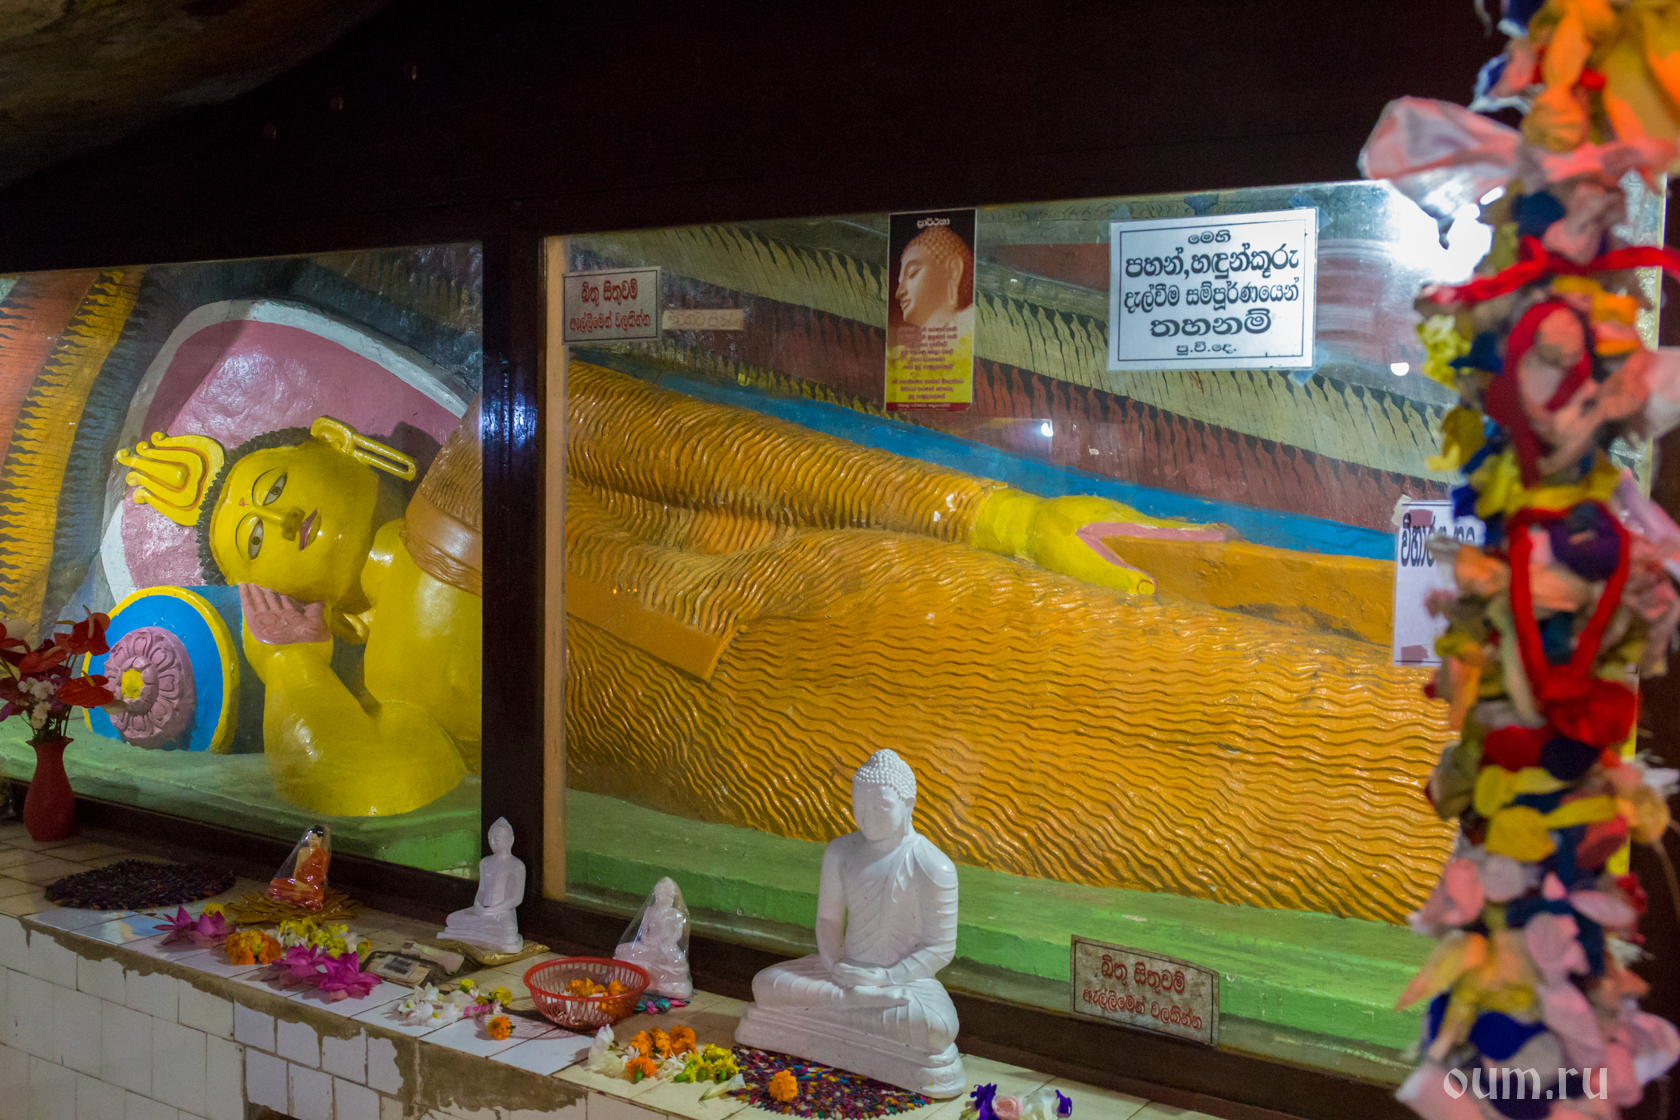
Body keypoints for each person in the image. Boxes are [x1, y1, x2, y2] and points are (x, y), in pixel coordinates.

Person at [120, 401, 483, 816]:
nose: (283, 520)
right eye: (255, 540)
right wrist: (290, 663)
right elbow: (358, 785)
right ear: (286, 600)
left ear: (335, 441)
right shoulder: (393, 692)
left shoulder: (465, 477)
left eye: (274, 489)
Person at [735, 749, 964, 1097]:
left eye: (880, 807)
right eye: (859, 806)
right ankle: (860, 1003)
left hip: (903, 982)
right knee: (766, 984)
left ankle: (860, 1005)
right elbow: (828, 920)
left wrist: (886, 978)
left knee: (937, 1026)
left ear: (909, 804)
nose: (867, 817)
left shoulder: (933, 866)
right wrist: (835, 965)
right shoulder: (840, 851)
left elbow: (941, 947)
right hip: (842, 974)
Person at [441, 817, 525, 953]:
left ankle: (485, 933)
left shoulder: (517, 865)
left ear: (510, 840)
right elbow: (482, 890)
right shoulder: (485, 862)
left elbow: (516, 898)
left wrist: (493, 910)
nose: (492, 842)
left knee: (509, 930)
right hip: (482, 911)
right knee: (451, 919)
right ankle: (481, 932)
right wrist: (478, 905)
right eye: (490, 838)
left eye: (497, 839)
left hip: (502, 913)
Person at [613, 876, 692, 998]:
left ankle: (663, 984)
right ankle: (630, 978)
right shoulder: (650, 911)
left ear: (671, 896)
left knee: (677, 960)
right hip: (649, 946)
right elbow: (644, 931)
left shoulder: (675, 915)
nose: (660, 897)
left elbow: (677, 935)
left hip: (666, 947)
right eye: (658, 893)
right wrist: (646, 940)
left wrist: (666, 944)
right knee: (622, 949)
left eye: (664, 894)